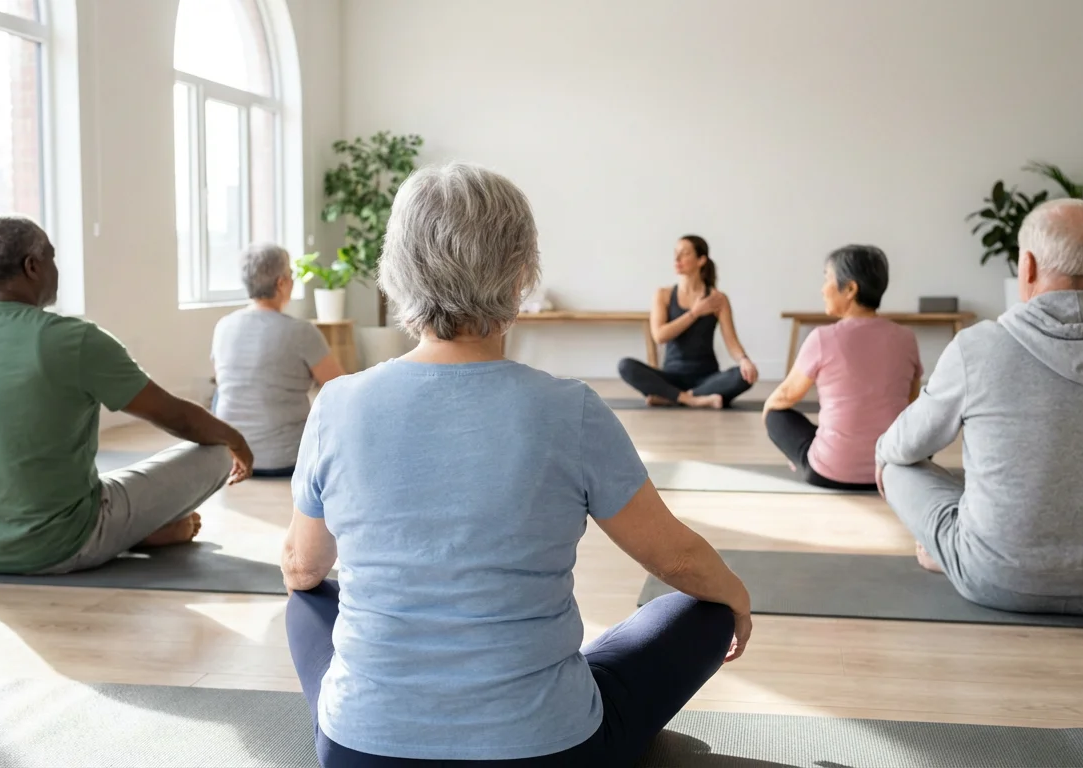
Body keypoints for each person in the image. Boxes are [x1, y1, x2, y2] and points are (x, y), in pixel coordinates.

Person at [282, 164, 753, 766]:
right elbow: (677, 559)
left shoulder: (338, 404)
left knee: (310, 599)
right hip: (550, 751)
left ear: (395, 270)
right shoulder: (570, 409)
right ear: (522, 273)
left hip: (361, 753)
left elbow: (302, 565)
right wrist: (736, 596)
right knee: (704, 607)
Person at [876, 199, 1083, 615]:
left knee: (894, 464)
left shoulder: (976, 347)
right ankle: (961, 548)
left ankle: (952, 551)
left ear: (1027, 266)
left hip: (990, 579)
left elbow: (903, 446)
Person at [0, 214, 254, 576]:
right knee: (217, 452)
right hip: (60, 544)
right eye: (51, 256)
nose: (56, 268)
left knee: (100, 482)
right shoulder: (72, 339)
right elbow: (174, 416)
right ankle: (129, 534)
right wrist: (236, 439)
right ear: (32, 266)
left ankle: (134, 531)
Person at [762, 245, 921, 490]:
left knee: (776, 415)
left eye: (827, 278)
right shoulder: (906, 338)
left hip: (831, 472)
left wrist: (768, 416)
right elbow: (912, 402)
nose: (822, 289)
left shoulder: (822, 338)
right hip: (892, 470)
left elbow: (785, 396)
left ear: (850, 289)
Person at [212, 243, 344, 477]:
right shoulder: (302, 332)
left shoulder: (223, 326)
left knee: (222, 393)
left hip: (230, 459)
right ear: (281, 283)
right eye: (291, 276)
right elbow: (341, 387)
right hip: (286, 459)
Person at [617, 235, 759, 408]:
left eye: (684, 254)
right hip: (671, 377)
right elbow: (660, 336)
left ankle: (675, 397)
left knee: (745, 374)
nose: (677, 259)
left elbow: (732, 342)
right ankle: (692, 399)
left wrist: (744, 360)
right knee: (625, 366)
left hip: (707, 378)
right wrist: (694, 313)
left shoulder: (718, 299)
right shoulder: (663, 295)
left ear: (701, 260)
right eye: (675, 253)